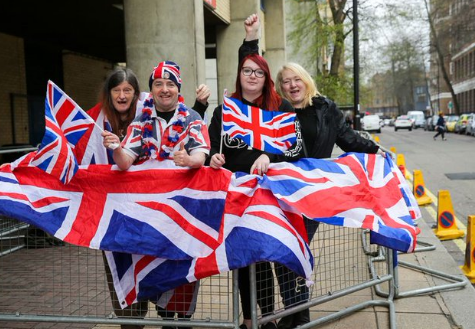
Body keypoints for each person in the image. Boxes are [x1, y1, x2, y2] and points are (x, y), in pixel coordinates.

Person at [240, 14, 384, 329]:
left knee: (293, 256)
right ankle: (280, 316)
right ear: (280, 87)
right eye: (285, 81)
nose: (292, 85)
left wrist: (377, 151)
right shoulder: (276, 110)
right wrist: (251, 38)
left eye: (296, 79)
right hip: (277, 192)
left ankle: (297, 318)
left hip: (309, 196)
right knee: (276, 253)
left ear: (306, 80)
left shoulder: (326, 108)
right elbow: (249, 73)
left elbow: (349, 140)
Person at [78, 66, 210, 329]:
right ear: (152, 90)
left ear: (178, 88)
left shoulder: (192, 117)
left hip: (181, 214)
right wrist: (116, 148)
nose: (164, 89)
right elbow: (125, 161)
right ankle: (156, 318)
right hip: (149, 214)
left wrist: (189, 160)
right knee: (156, 268)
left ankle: (179, 322)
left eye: (170, 84)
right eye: (158, 84)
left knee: (182, 273)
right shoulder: (142, 121)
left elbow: (201, 153)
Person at [204, 20, 303, 329]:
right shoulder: (226, 109)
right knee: (244, 259)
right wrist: (213, 158)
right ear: (239, 75)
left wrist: (267, 156)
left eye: (258, 72)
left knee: (268, 256)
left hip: (270, 196)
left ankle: (270, 317)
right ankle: (249, 320)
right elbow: (208, 146)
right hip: (236, 197)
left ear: (265, 78)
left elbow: (295, 148)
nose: (252, 76)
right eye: (247, 71)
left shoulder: (279, 108)